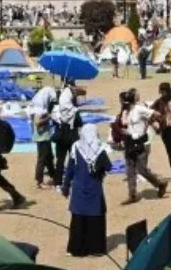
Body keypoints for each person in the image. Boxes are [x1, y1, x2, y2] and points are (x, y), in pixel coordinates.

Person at [61, 125, 112, 257]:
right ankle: (95, 249)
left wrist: (65, 187)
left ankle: (76, 249)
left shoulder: (76, 147)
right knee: (95, 217)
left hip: (79, 188)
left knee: (78, 218)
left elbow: (70, 169)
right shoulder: (100, 149)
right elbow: (109, 166)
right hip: (94, 188)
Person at [118, 89, 168, 204]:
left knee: (142, 170)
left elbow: (156, 114)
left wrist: (157, 125)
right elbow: (124, 123)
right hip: (130, 142)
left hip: (141, 143)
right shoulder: (127, 110)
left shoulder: (140, 109)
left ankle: (160, 184)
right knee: (130, 170)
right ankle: (132, 194)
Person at [29, 86, 58, 189]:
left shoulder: (40, 106)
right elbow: (37, 122)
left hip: (45, 136)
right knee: (42, 159)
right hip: (41, 137)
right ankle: (39, 181)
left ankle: (54, 177)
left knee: (49, 158)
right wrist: (49, 117)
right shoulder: (38, 107)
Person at [52, 81, 82, 180]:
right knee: (73, 158)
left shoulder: (56, 110)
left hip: (60, 135)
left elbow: (54, 121)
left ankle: (58, 180)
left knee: (60, 160)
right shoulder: (74, 111)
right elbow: (79, 123)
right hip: (72, 135)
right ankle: (72, 178)